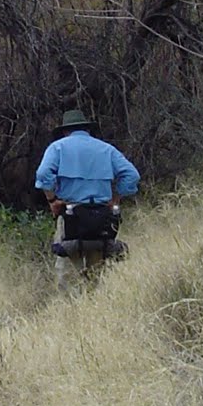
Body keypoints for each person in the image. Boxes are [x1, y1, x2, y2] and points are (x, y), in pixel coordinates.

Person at [35, 108, 141, 289]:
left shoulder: (58, 147)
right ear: (87, 129)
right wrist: (116, 197)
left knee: (67, 272)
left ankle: (72, 311)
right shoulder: (106, 149)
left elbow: (43, 174)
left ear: (65, 131)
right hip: (102, 217)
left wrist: (52, 200)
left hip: (71, 215)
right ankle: (95, 308)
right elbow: (132, 175)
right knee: (97, 273)